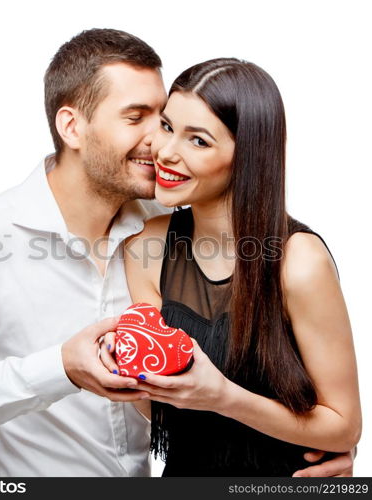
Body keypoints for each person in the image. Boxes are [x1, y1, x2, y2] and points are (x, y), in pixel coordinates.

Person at [0, 29, 355, 477]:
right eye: (137, 117)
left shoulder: (167, 222)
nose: (161, 145)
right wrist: (60, 368)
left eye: (163, 119)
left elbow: (233, 389)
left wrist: (313, 444)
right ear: (72, 126)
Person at [100, 58, 361, 476]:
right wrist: (126, 370)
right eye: (167, 127)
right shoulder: (148, 246)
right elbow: (164, 404)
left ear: (247, 156)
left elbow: (344, 427)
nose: (165, 153)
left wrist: (223, 396)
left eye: (198, 141)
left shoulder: (299, 262)